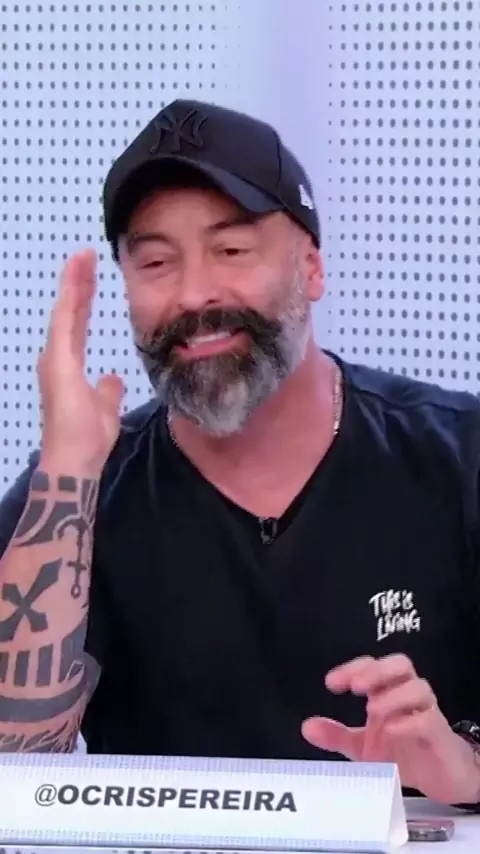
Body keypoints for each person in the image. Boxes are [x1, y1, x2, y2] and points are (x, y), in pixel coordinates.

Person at [0, 98, 480, 809]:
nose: (195, 294)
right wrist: (66, 474)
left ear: (310, 267)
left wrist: (467, 768)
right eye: (156, 262)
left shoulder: (458, 457)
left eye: (231, 251)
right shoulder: (75, 493)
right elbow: (13, 772)